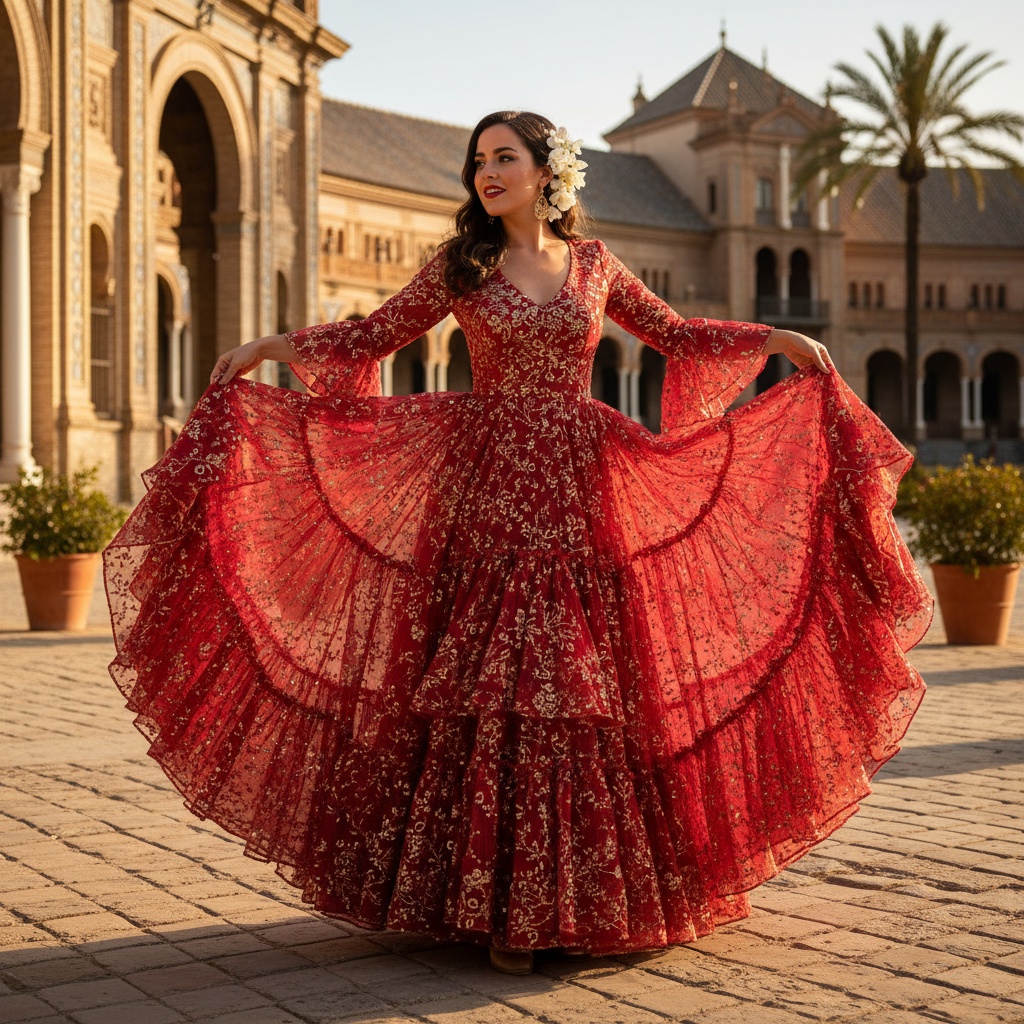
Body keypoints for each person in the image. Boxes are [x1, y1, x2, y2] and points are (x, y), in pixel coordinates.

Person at [104, 110, 931, 976]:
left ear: (548, 173)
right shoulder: (463, 264)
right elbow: (370, 336)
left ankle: (585, 895)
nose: (486, 173)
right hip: (486, 496)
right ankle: (490, 901)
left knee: (584, 688)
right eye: (478, 162)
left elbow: (678, 338)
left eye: (504, 158)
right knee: (484, 682)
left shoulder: (597, 263)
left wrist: (771, 341)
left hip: (581, 493)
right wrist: (272, 349)